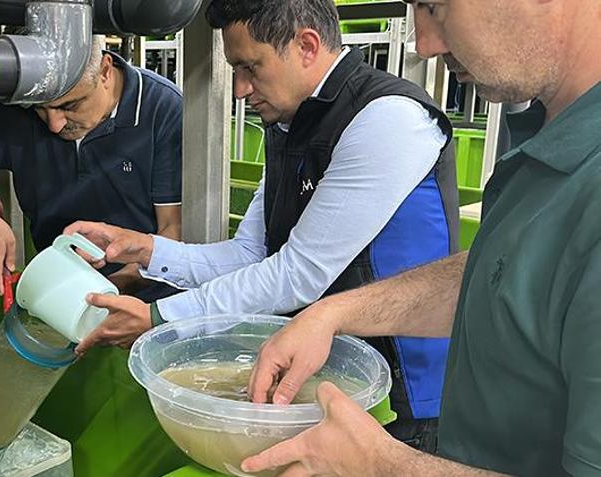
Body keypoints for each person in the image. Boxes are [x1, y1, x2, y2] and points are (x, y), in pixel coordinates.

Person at [66, 0, 458, 451]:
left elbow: (298, 273)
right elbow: (250, 256)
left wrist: (160, 317)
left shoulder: (388, 118)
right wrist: (143, 250)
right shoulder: (294, 124)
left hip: (407, 400)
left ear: (306, 45)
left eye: (250, 67)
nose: (239, 89)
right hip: (326, 378)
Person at [240, 0, 601, 475]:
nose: (424, 43)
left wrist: (378, 463)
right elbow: (508, 274)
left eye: (436, 6)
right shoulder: (548, 138)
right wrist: (332, 315)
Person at [0, 36, 183, 301]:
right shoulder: (15, 107)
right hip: (61, 292)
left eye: (69, 106)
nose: (54, 125)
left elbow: (171, 230)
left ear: (104, 71)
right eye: (40, 109)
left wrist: (113, 289)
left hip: (148, 301)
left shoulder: (162, 109)